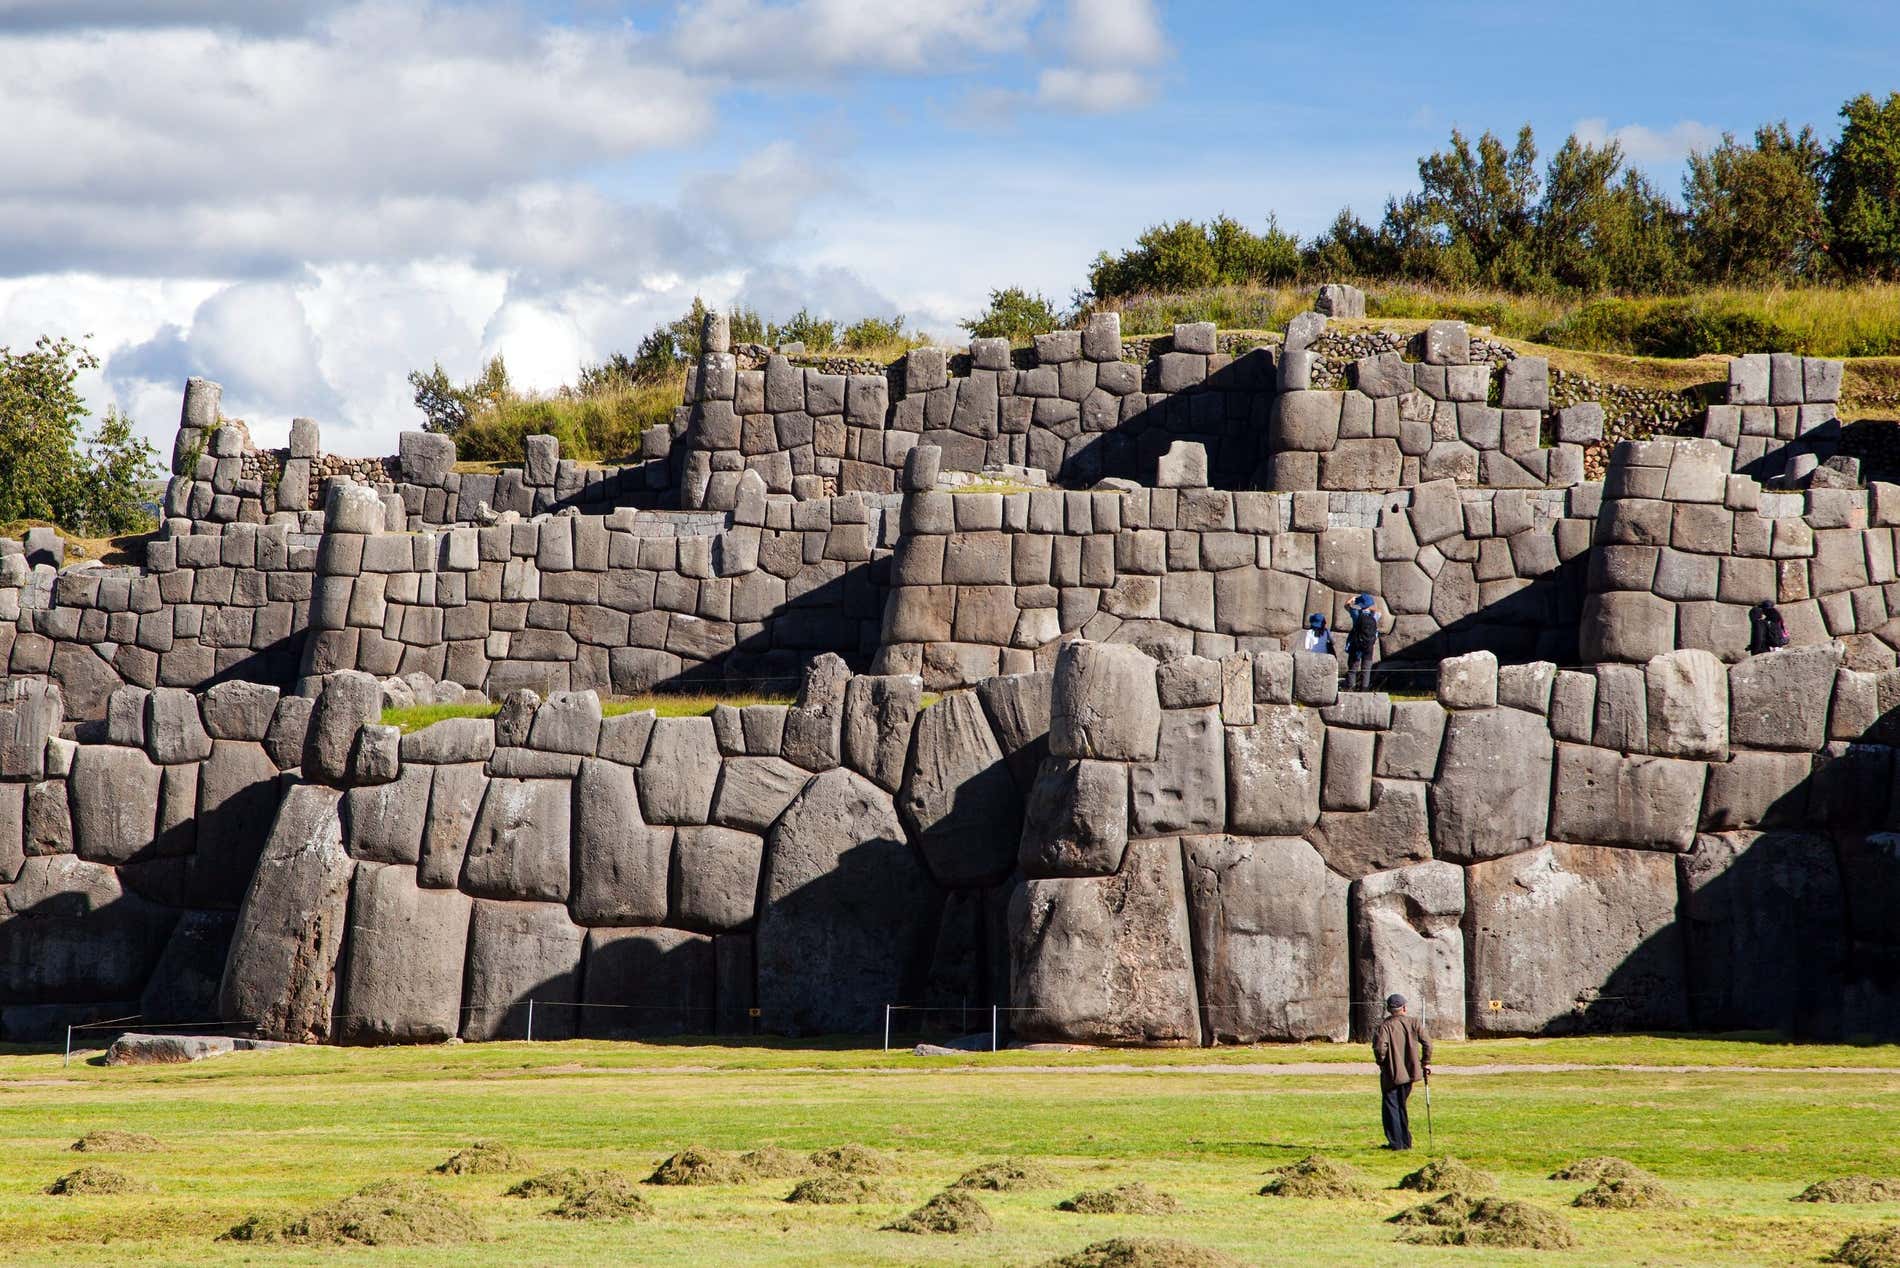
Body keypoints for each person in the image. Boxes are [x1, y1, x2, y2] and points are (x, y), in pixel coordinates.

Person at [1372, 993, 1431, 1150]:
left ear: (1389, 1009)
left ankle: (1397, 1143)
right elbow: (1428, 1044)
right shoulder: (1414, 1023)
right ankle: (1405, 1142)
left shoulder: (1385, 1026)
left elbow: (1379, 1048)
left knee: (1391, 1107)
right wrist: (1425, 1062)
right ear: (1404, 1007)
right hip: (1410, 1073)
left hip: (1392, 1074)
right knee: (1401, 1106)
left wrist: (1382, 1063)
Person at [1344, 592, 1381, 691]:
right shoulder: (1375, 616)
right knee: (1366, 670)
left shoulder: (1356, 615)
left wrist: (1353, 599)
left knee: (1352, 669)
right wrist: (1371, 603)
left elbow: (1346, 605)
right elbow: (1378, 611)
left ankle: (1351, 689)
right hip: (1369, 646)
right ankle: (1364, 690)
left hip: (1356, 646)